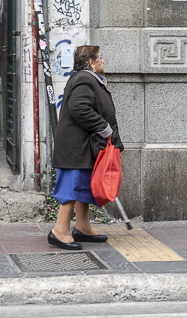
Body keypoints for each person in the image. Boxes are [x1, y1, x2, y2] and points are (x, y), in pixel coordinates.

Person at [47, 44, 124, 250]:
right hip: (76, 147)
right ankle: (59, 231)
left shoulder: (87, 78)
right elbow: (79, 108)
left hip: (82, 146)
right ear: (91, 62)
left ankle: (82, 227)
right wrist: (104, 128)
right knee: (70, 189)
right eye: (100, 58)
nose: (103, 60)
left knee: (82, 186)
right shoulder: (84, 78)